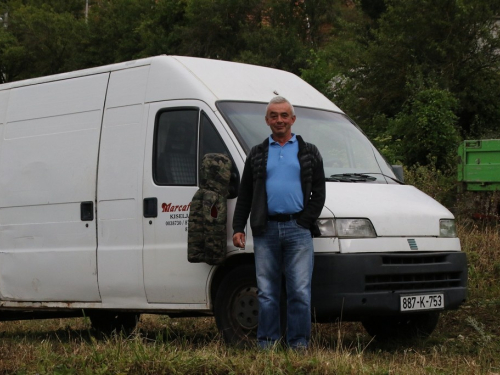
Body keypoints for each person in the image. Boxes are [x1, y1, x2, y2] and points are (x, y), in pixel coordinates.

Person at [232, 96, 326, 350]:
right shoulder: (257, 153)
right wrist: (238, 227)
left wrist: (304, 221)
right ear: (267, 121)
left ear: (293, 119)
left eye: (284, 115)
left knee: (299, 293)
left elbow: (319, 193)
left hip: (298, 230)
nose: (279, 120)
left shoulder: (309, 152)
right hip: (266, 230)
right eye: (274, 116)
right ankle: (268, 344)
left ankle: (298, 344)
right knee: (267, 293)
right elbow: (246, 194)